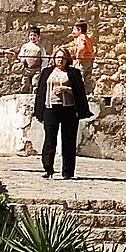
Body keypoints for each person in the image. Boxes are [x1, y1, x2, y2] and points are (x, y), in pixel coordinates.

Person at [33, 47, 91, 179]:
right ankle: (48, 169)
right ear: (53, 59)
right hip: (51, 108)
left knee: (68, 140)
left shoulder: (73, 73)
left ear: (67, 60)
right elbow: (41, 92)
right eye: (58, 57)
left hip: (69, 109)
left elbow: (79, 92)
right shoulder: (47, 72)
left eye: (63, 58)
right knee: (49, 139)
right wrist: (39, 110)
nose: (60, 60)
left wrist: (66, 89)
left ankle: (68, 172)